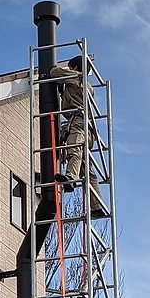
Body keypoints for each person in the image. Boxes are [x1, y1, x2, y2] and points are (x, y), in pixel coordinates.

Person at [46, 55, 108, 217]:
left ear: (74, 67)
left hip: (78, 124)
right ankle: (96, 206)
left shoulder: (75, 78)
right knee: (87, 170)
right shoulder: (87, 86)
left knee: (74, 150)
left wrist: (65, 71)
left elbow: (54, 73)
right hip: (87, 129)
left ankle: (70, 178)